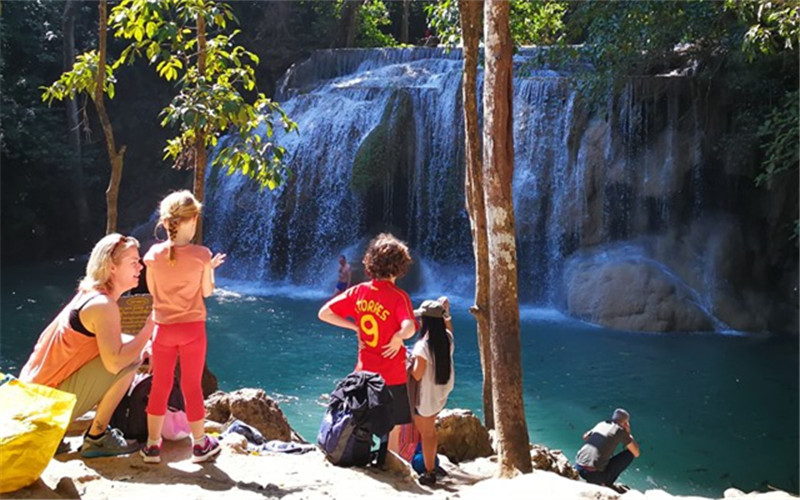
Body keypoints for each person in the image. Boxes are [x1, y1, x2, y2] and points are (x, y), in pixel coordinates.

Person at [19, 233, 154, 458]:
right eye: (133, 262)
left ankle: (60, 435)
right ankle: (97, 439)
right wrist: (150, 327)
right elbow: (115, 363)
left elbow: (107, 339)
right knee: (129, 360)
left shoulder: (89, 295)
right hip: (42, 412)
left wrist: (142, 343)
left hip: (32, 400)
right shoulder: (103, 305)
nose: (140, 266)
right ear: (112, 266)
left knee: (132, 349)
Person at [139, 190, 226, 464]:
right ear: (194, 219)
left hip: (163, 329)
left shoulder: (152, 255)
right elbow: (207, 292)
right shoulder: (202, 254)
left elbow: (153, 290)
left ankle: (153, 446)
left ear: (166, 222)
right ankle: (199, 444)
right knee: (191, 386)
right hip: (192, 330)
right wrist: (208, 269)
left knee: (160, 385)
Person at [318, 233, 418, 456]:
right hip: (392, 375)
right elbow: (410, 327)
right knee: (392, 425)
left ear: (371, 263)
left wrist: (355, 327)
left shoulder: (358, 292)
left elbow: (324, 313)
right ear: (400, 266)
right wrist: (398, 337)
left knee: (364, 419)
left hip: (363, 374)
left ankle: (361, 456)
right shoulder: (399, 297)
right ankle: (388, 462)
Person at [410, 296, 454, 486]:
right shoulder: (446, 340)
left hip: (426, 397)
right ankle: (429, 464)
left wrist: (409, 361)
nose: (419, 321)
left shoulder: (422, 347)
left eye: (421, 318)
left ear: (426, 321)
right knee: (430, 431)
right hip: (440, 393)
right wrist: (447, 315)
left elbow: (417, 375)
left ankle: (429, 472)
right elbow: (448, 330)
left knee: (427, 434)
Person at [575, 408, 641, 492]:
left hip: (578, 467)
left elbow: (585, 437)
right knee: (629, 454)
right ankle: (606, 483)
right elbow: (636, 453)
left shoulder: (602, 423)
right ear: (625, 423)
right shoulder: (621, 431)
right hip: (593, 475)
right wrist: (628, 433)